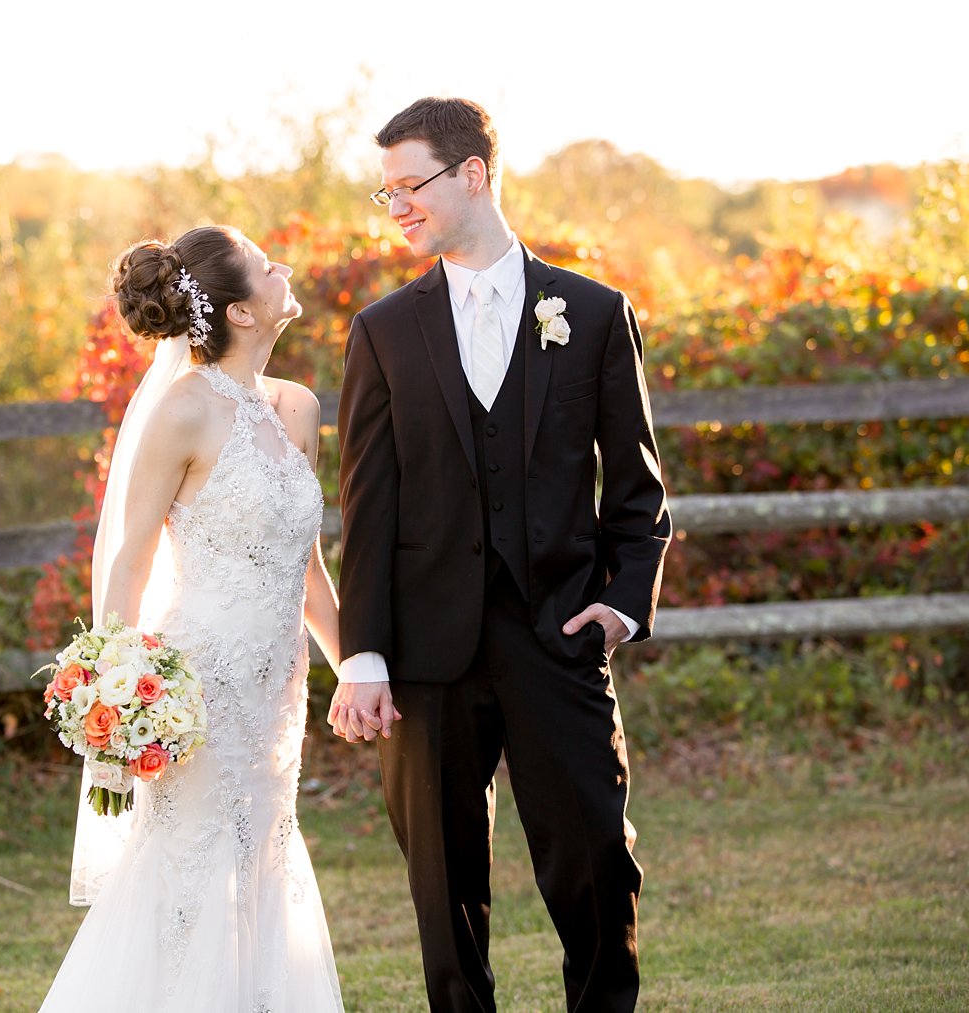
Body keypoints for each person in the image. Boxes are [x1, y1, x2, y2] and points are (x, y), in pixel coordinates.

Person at [330, 97, 671, 1012]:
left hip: (557, 637)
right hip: (425, 658)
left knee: (600, 859)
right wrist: (361, 655)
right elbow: (364, 508)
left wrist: (622, 601)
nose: (396, 206)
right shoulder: (383, 332)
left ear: (472, 174)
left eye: (411, 186)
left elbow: (638, 492)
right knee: (444, 894)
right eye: (386, 191)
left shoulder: (593, 314)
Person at [39, 225, 345, 1011]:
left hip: (277, 690)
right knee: (192, 870)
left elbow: (305, 566)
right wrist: (116, 700)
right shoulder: (181, 410)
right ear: (241, 311)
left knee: (260, 860)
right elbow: (129, 558)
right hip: (197, 688)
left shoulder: (298, 408)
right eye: (266, 264)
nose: (285, 267)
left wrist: (362, 670)